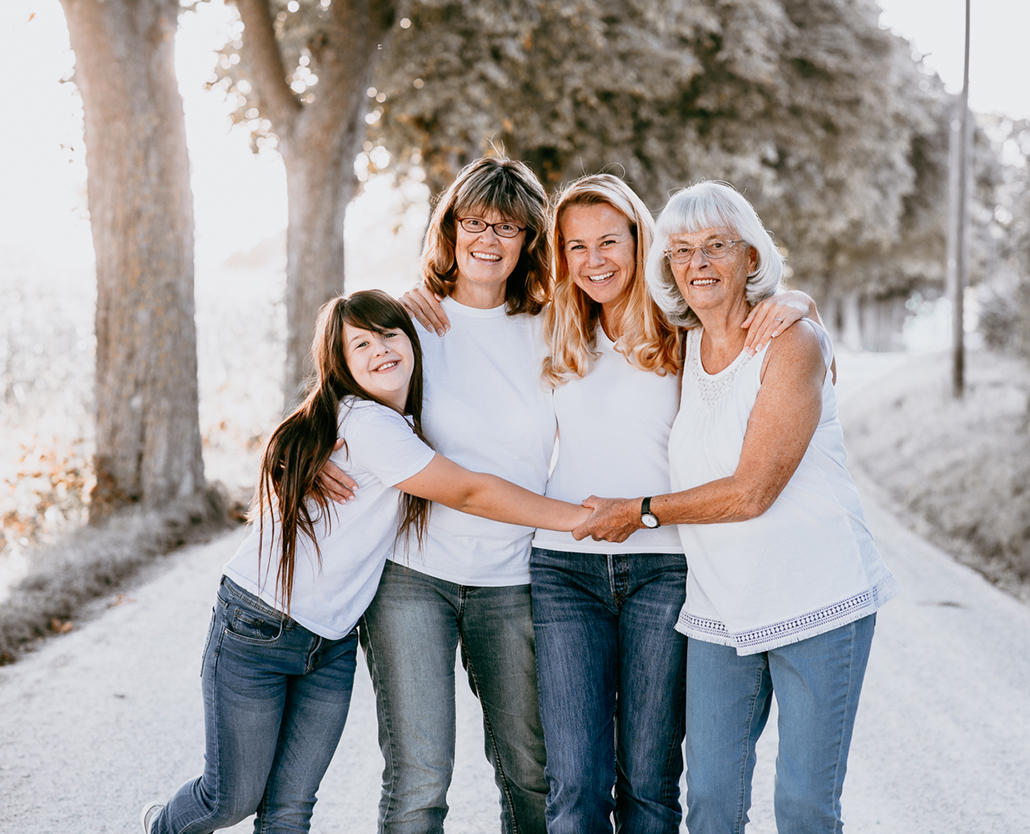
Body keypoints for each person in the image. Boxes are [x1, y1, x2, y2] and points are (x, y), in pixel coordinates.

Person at [406, 172, 823, 834]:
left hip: (665, 569)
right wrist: (412, 296)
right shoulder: (551, 327)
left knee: (651, 780)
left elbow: (765, 323)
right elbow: (469, 317)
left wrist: (797, 301)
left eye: (609, 241)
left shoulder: (682, 329)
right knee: (574, 782)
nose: (593, 260)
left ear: (641, 241)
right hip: (563, 570)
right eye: (575, 247)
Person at [139, 290, 587, 834]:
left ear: (413, 342)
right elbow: (469, 492)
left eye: (389, 335)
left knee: (289, 809)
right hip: (257, 626)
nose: (380, 349)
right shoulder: (365, 423)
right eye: (360, 344)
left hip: (329, 642)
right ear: (340, 364)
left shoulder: (391, 426)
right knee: (227, 800)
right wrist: (582, 517)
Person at [573, 181, 900, 834]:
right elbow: (591, 296)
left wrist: (640, 510)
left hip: (817, 597)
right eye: (683, 250)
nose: (699, 263)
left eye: (717, 246)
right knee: (713, 805)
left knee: (805, 807)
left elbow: (754, 490)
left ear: (751, 257)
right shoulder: (679, 346)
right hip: (721, 609)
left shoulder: (790, 341)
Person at [352, 157, 555, 834]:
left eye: (509, 227)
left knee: (532, 771)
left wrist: (791, 301)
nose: (488, 240)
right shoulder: (409, 321)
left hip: (515, 582)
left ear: (530, 241)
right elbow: (339, 404)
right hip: (414, 581)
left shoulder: (554, 325)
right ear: (451, 227)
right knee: (419, 781)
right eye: (474, 222)